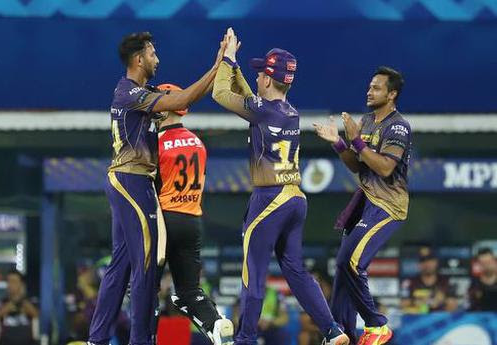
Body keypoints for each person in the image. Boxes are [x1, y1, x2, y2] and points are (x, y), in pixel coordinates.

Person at [212, 28, 348, 345]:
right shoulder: (290, 112)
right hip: (294, 198)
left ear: (270, 79)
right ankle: (332, 330)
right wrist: (235, 69)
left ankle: (246, 339)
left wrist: (229, 58)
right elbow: (251, 100)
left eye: (261, 73)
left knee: (254, 272)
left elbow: (220, 94)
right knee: (296, 271)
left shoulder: (262, 111)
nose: (258, 77)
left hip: (269, 198)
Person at [88, 32, 226, 345]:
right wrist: (218, 67)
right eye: (152, 53)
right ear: (138, 59)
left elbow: (180, 102)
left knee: (121, 264)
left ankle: (96, 339)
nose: (157, 59)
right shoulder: (130, 93)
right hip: (133, 180)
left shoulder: (137, 92)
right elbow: (182, 100)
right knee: (147, 263)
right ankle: (142, 339)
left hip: (129, 180)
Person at [313, 66, 411, 345]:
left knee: (353, 262)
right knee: (342, 267)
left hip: (388, 205)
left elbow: (383, 168)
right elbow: (359, 165)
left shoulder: (398, 126)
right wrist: (339, 143)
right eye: (369, 86)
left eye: (377, 87)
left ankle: (377, 325)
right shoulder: (367, 121)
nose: (369, 91)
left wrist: (355, 138)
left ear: (392, 94)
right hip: (365, 200)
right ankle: (342, 333)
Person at [155, 82, 233, 344]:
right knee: (190, 290)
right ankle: (216, 323)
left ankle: (143, 338)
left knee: (146, 289)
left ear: (167, 107)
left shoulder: (156, 143)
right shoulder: (198, 143)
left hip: (164, 221)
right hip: (192, 220)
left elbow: (149, 190)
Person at [400, 248, 458, 313]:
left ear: (436, 262)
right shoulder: (409, 282)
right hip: (417, 320)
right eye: (423, 261)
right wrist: (418, 301)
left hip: (440, 320)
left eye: (430, 260)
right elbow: (403, 305)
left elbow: (453, 307)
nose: (427, 264)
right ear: (419, 264)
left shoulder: (446, 281)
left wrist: (442, 300)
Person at [0, 270, 39, 345]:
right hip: (6, 342)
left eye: (14, 281)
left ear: (21, 284)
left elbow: (35, 314)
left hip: (27, 342)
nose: (10, 284)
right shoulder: (1, 301)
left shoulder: (31, 300)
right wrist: (13, 301)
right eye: (8, 281)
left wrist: (21, 298)